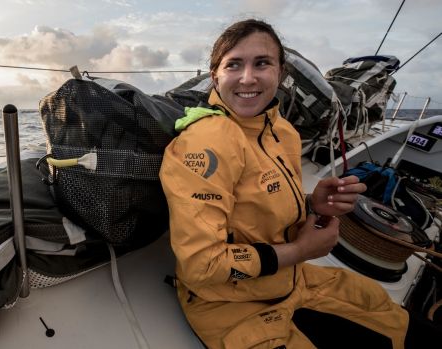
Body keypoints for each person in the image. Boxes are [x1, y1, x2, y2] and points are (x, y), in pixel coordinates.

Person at [159, 18, 418, 348]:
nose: (248, 77)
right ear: (215, 76)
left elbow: (257, 204)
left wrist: (312, 203)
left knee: (390, 316)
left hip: (291, 280)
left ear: (281, 73)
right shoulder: (204, 143)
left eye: (262, 63)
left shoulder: (283, 132)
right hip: (231, 305)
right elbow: (201, 267)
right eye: (233, 65)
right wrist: (299, 250)